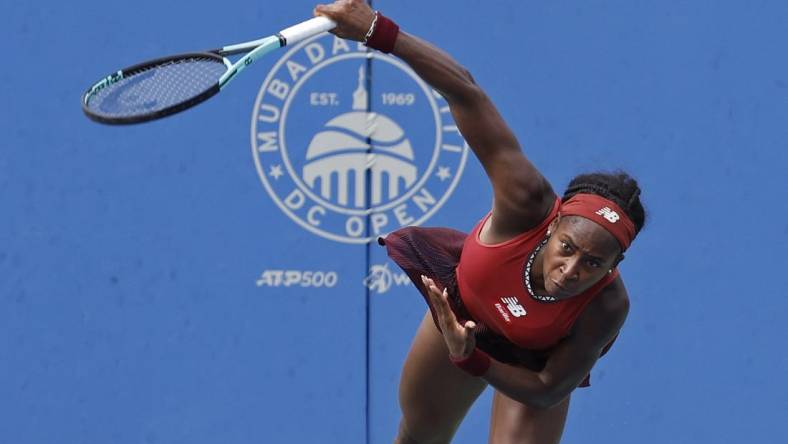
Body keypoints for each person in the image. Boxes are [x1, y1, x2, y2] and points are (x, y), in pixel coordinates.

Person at [314, 2, 647, 443]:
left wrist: (473, 360)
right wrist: (378, 30)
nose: (571, 271)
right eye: (567, 248)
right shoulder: (524, 199)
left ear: (614, 265)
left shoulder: (607, 307)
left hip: (534, 362)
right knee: (419, 435)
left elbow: (548, 389)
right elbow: (465, 92)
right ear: (551, 228)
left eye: (593, 264)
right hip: (464, 310)